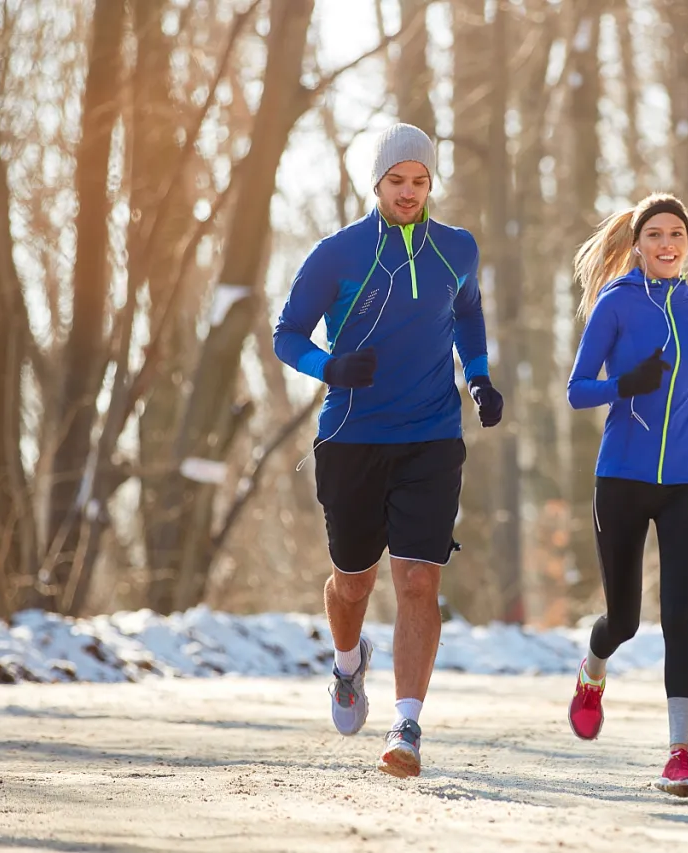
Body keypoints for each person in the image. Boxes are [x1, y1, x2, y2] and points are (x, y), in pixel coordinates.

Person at [273, 123, 504, 779]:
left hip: (431, 435)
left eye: (420, 181)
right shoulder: (337, 254)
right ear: (376, 183)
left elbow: (467, 312)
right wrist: (330, 367)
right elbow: (286, 333)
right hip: (352, 437)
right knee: (353, 582)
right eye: (397, 181)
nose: (409, 192)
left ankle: (407, 724)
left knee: (419, 579)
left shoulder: (457, 248)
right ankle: (348, 665)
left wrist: (480, 375)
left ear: (433, 184)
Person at [565, 192, 688, 799]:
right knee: (625, 620)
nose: (667, 244)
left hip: (687, 481)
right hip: (622, 477)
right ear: (637, 245)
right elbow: (576, 391)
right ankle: (593, 672)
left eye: (676, 234)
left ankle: (680, 755)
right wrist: (624, 384)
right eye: (655, 235)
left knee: (680, 619)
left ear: (687, 244)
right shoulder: (615, 306)